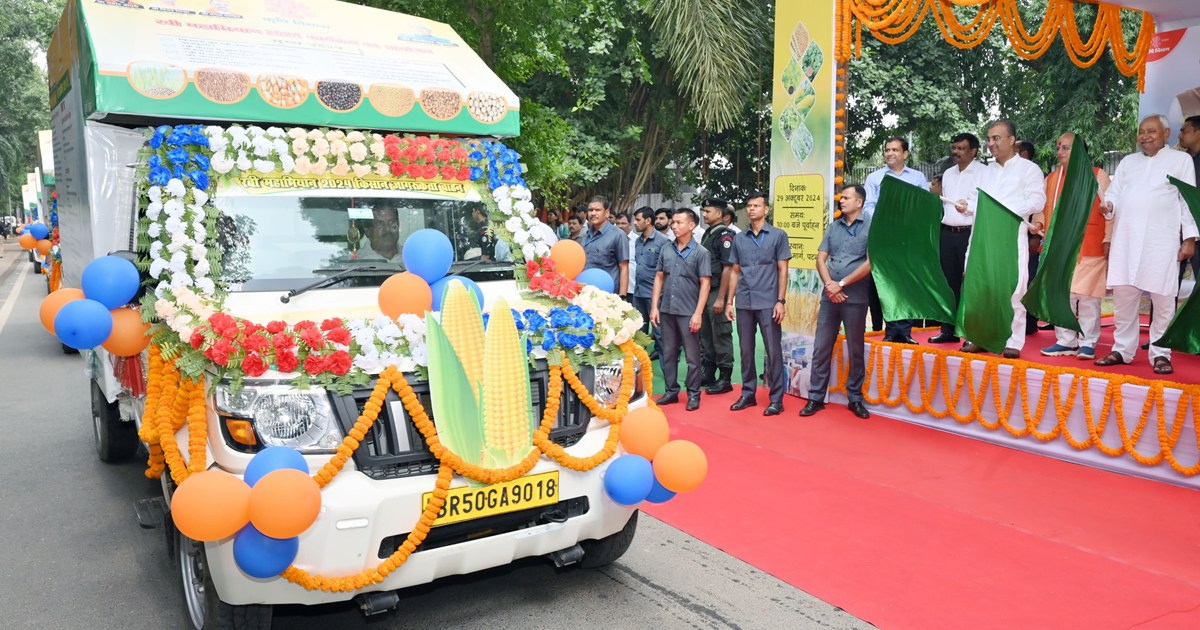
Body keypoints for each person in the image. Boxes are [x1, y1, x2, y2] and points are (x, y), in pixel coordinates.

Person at [1095, 115, 1199, 374]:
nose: (1144, 136)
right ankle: (1122, 349)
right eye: (1141, 132)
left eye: (1151, 131)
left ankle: (1160, 353)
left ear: (1166, 133)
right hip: (1126, 240)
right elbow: (1115, 193)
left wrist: (1189, 239)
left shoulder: (1181, 160)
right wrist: (1108, 206)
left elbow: (1187, 201)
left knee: (1163, 300)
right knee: (1124, 299)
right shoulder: (1129, 162)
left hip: (1160, 242)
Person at [960, 119, 1047, 358]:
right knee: (981, 289)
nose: (991, 144)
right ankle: (979, 337)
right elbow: (974, 201)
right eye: (988, 139)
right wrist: (966, 206)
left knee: (1012, 290)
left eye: (996, 138)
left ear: (1011, 140)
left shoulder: (1029, 170)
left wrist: (1003, 210)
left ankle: (1013, 341)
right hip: (982, 239)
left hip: (1009, 236)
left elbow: (1037, 201)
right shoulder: (984, 172)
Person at [1036, 133, 1111, 360]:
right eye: (1058, 147)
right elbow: (1043, 208)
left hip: (1090, 244)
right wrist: (1039, 224)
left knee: (1087, 297)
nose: (1059, 152)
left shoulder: (1098, 175)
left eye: (1065, 148)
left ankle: (1088, 342)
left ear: (1079, 151)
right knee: (1063, 296)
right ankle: (1066, 341)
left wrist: (1108, 239)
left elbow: (1111, 209)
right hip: (1060, 249)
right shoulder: (1052, 179)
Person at [800, 184, 872, 419]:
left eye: (846, 198)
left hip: (855, 296)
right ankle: (815, 397)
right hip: (829, 296)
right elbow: (821, 259)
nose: (841, 201)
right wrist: (831, 285)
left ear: (859, 202)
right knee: (821, 347)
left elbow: (871, 263)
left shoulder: (871, 226)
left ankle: (855, 398)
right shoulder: (834, 227)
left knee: (855, 349)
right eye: (841, 198)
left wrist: (841, 284)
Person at [725, 191, 791, 416]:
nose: (751, 209)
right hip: (744, 301)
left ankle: (776, 399)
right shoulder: (739, 238)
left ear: (766, 210)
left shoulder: (778, 235)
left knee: (773, 351)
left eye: (756, 205)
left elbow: (783, 270)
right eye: (749, 205)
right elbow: (734, 271)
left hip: (768, 302)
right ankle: (748, 394)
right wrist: (729, 302)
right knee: (745, 350)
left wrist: (780, 301)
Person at [863, 136, 929, 343]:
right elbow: (867, 207)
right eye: (887, 150)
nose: (890, 153)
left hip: (909, 238)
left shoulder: (917, 178)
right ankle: (891, 330)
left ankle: (906, 331)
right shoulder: (875, 178)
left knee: (907, 283)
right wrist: (887, 223)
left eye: (895, 150)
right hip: (884, 238)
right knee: (888, 283)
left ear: (905, 154)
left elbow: (923, 205)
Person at [651, 209, 712, 411]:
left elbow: (705, 283)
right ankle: (671, 391)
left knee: (693, 357)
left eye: (679, 222)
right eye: (673, 222)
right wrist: (654, 307)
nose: (674, 226)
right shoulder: (666, 249)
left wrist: (698, 313)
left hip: (688, 311)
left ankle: (694, 394)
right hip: (667, 309)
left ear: (691, 226)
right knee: (667, 353)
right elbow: (659, 277)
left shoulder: (701, 253)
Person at [929, 132, 986, 344]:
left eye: (961, 148)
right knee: (948, 282)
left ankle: (974, 333)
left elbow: (985, 203)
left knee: (972, 283)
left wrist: (969, 207)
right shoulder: (948, 174)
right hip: (948, 233)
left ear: (973, 151)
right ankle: (948, 330)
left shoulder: (984, 172)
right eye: (954, 148)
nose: (956, 152)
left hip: (972, 233)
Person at [699, 197, 736, 393]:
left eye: (708, 211)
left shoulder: (725, 236)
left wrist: (722, 298)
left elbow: (728, 269)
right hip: (705, 291)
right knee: (705, 334)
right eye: (704, 211)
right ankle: (709, 371)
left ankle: (725, 378)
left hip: (716, 291)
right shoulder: (708, 233)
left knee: (721, 333)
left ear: (720, 214)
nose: (704, 214)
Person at [632, 207, 669, 359]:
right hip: (638, 292)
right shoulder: (637, 241)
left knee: (659, 331)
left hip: (655, 294)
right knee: (638, 329)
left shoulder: (663, 242)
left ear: (648, 221)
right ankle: (639, 362)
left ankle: (666, 361)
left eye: (638, 220)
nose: (635, 223)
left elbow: (668, 269)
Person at [582, 195, 630, 295]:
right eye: (590, 210)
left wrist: (622, 297)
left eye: (597, 210)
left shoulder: (618, 235)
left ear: (607, 213)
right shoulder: (586, 235)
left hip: (607, 295)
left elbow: (624, 268)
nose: (593, 213)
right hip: (586, 293)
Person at [1178, 115, 1200, 282]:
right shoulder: (1179, 161)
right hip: (1178, 228)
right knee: (1169, 283)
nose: (1180, 135)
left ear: (1198, 133)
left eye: (1184, 131)